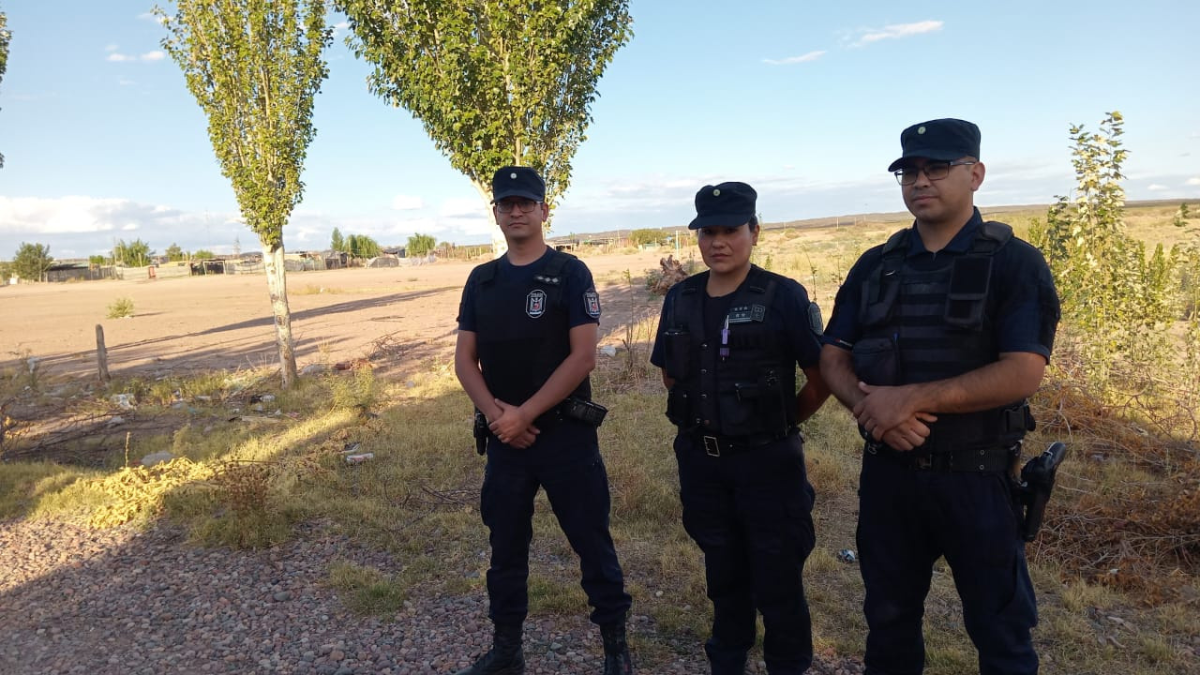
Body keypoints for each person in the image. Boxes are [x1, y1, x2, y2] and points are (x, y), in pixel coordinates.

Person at [819, 119, 1061, 675]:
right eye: (909, 171)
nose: (919, 180)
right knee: (889, 621)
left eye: (936, 168)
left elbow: (1023, 372)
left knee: (1001, 632)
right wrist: (872, 408)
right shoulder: (876, 265)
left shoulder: (1014, 262)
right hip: (889, 476)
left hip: (975, 479)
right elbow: (833, 357)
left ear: (975, 174)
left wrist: (908, 399)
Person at [453, 166, 635, 675]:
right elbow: (465, 360)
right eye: (506, 204)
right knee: (505, 549)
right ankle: (507, 650)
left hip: (563, 437)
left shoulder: (570, 273)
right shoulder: (481, 280)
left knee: (590, 541)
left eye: (525, 203)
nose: (515, 211)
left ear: (543, 211)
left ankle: (615, 650)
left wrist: (524, 414)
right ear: (495, 213)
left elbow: (583, 358)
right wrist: (497, 417)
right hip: (505, 440)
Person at [650, 182, 830, 675]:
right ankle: (726, 660)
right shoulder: (681, 297)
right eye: (708, 232)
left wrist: (780, 423)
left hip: (767, 463)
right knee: (723, 571)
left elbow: (821, 378)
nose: (718, 242)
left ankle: (787, 664)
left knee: (777, 577)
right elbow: (670, 372)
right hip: (702, 460)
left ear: (755, 230)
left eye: (730, 230)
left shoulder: (783, 296)